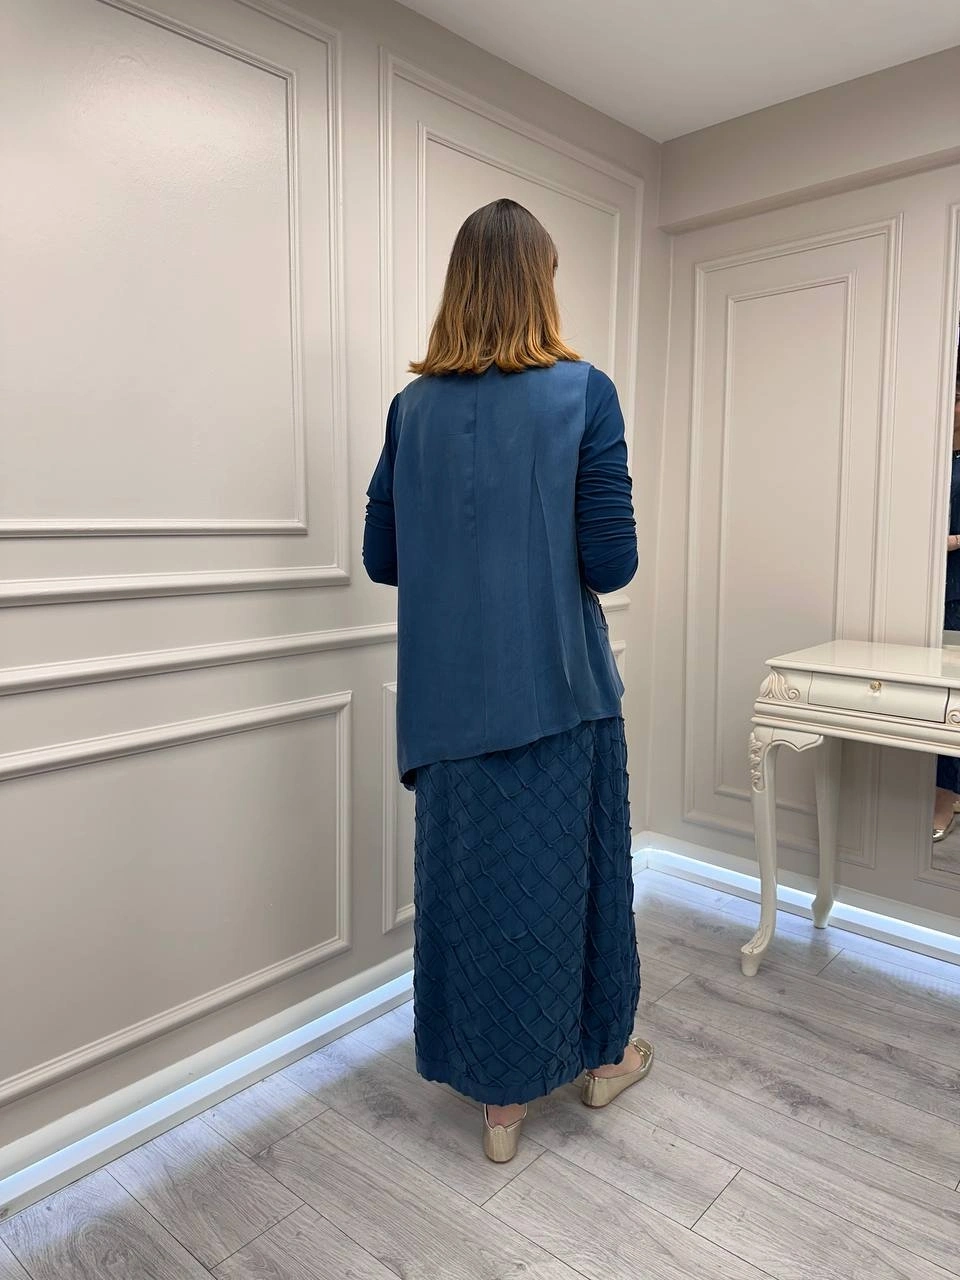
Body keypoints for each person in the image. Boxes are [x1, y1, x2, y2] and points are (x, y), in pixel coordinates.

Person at [362, 198, 652, 1162]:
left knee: (474, 896)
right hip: (559, 694)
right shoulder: (585, 391)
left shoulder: (410, 409)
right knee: (572, 888)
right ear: (541, 283)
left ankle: (499, 1105)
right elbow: (612, 562)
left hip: (444, 707)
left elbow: (382, 558)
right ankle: (602, 1061)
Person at [933, 373, 960, 841]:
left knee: (951, 700)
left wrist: (949, 541)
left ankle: (945, 797)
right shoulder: (929, 452)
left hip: (955, 588)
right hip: (922, 588)